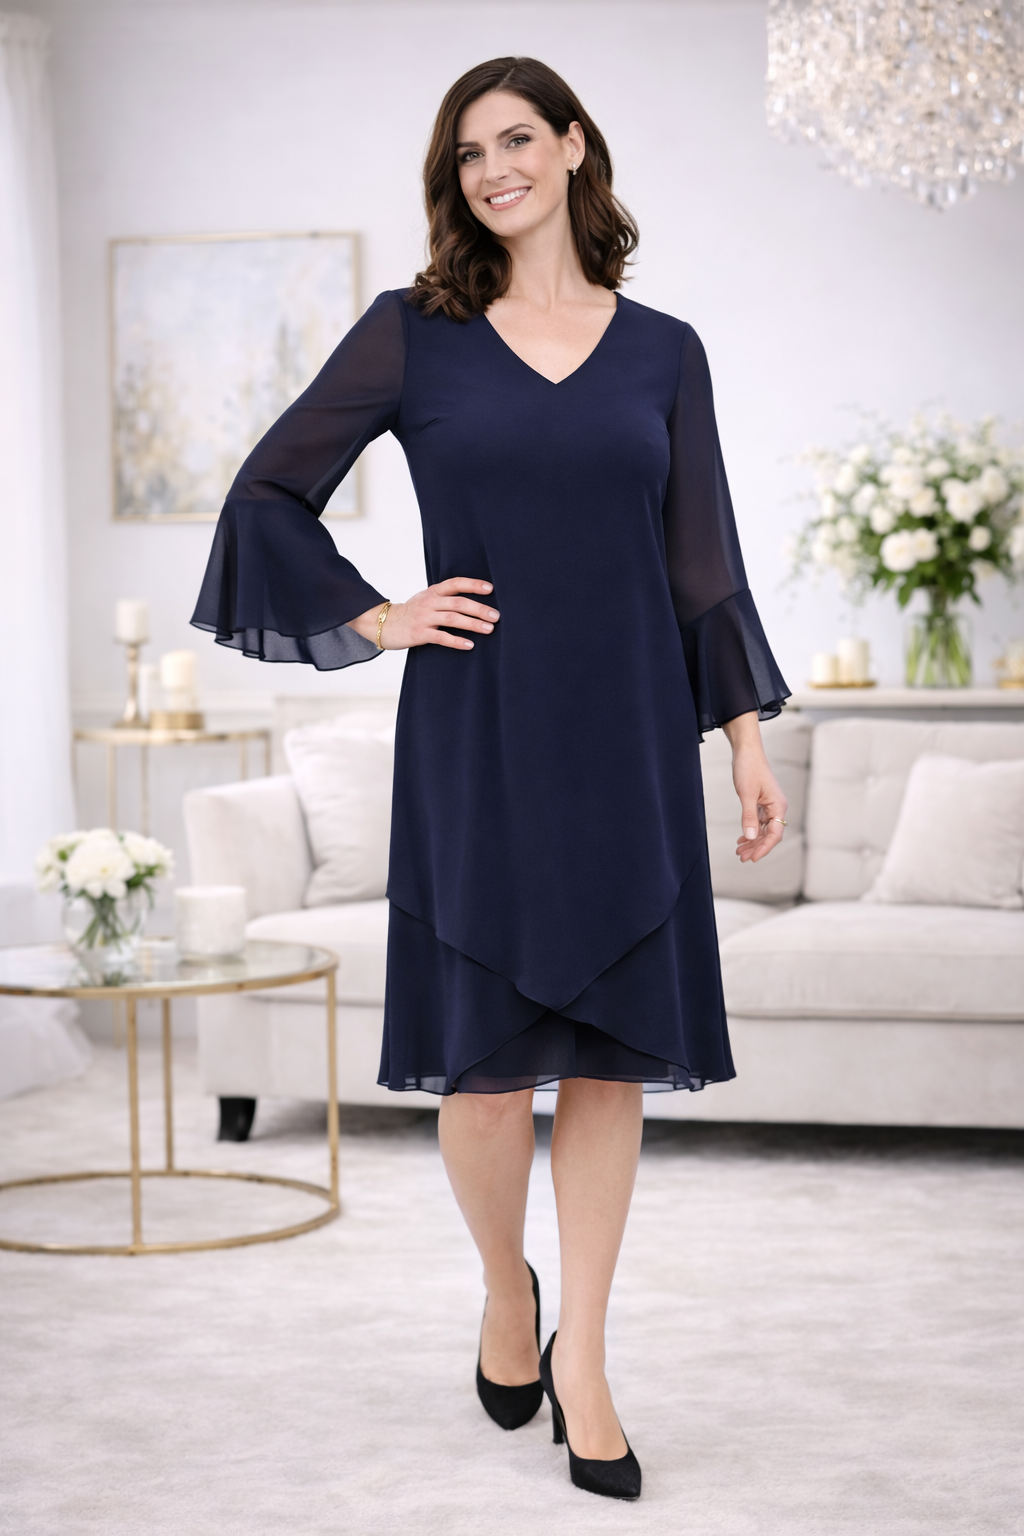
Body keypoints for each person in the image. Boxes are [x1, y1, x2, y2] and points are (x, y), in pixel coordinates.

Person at [192, 56, 790, 1503]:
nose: (494, 168)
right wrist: (380, 613)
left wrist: (745, 738)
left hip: (630, 739)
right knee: (482, 1081)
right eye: (468, 153)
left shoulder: (665, 351)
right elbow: (266, 492)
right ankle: (504, 1290)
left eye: (518, 139)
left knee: (610, 1064)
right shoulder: (416, 334)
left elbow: (700, 558)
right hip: (481, 737)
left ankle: (588, 1358)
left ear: (575, 147)